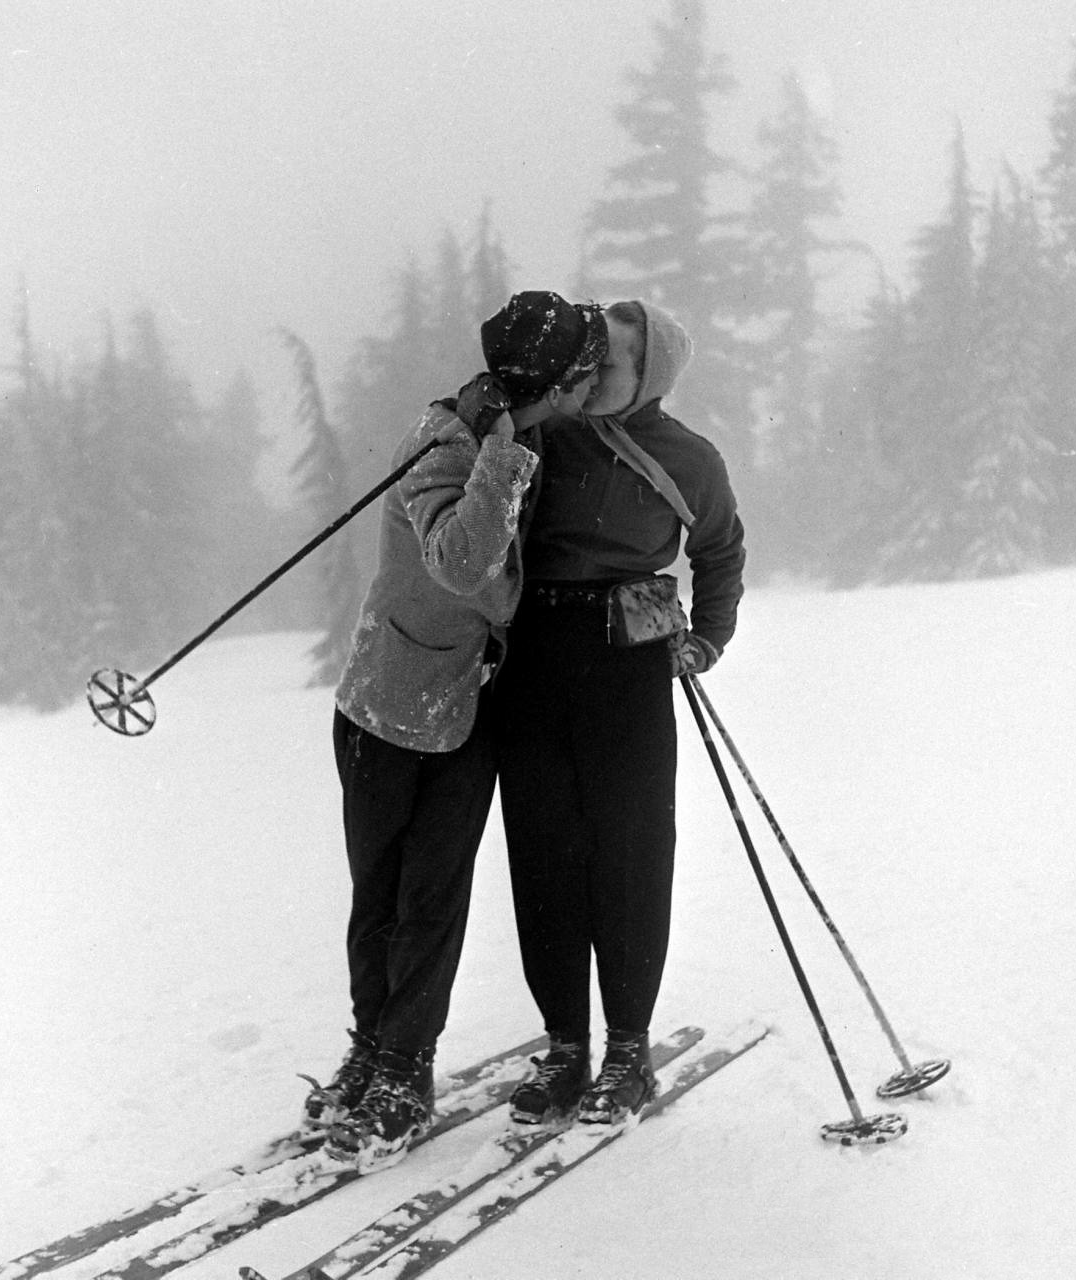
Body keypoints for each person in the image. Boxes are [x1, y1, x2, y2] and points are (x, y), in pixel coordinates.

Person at [304, 291, 609, 1172]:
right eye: (582, 372)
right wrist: (504, 459)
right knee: (382, 895)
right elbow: (459, 558)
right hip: (385, 707)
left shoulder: (514, 434)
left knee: (430, 900)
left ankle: (405, 1068)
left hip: (464, 712)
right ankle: (373, 1050)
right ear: (554, 381)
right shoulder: (450, 444)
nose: (590, 384)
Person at [493, 299, 745, 1128]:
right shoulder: (544, 434)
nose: (595, 371)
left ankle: (628, 1052)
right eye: (593, 356)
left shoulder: (688, 458)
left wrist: (705, 640)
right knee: (543, 852)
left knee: (631, 853)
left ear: (654, 373)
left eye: (617, 361)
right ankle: (566, 1046)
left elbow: (719, 549)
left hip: (629, 661)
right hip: (534, 659)